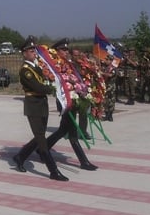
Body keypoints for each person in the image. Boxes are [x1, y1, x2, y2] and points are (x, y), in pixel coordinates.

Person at [12, 36, 68, 182]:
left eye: (34, 50)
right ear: (24, 53)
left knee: (40, 136)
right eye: (30, 51)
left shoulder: (36, 67)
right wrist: (52, 87)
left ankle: (20, 157)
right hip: (34, 107)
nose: (33, 52)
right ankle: (53, 171)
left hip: (41, 105)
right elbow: (38, 87)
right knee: (42, 141)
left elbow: (45, 79)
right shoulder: (26, 71)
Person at [44, 38, 97, 171]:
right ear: (56, 51)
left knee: (63, 130)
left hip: (74, 99)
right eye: (63, 49)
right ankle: (83, 161)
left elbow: (76, 77)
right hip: (65, 101)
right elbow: (55, 80)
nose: (66, 52)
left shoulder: (69, 63)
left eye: (67, 49)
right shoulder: (54, 64)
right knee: (72, 131)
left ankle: (42, 148)